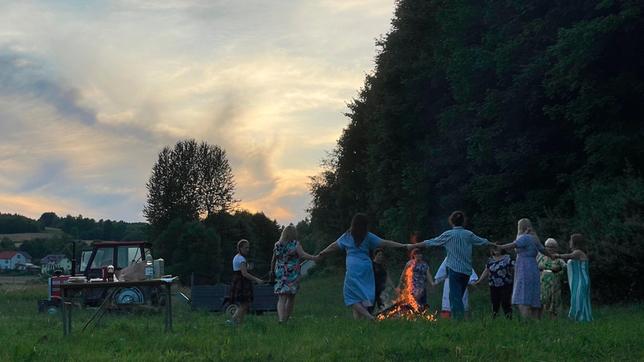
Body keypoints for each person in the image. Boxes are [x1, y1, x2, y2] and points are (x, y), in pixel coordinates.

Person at [317, 213, 408, 320]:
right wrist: (403, 245)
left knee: (350, 296)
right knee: (362, 294)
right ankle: (359, 323)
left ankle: (369, 317)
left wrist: (322, 253)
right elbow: (385, 243)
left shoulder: (347, 236)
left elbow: (334, 246)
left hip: (353, 267)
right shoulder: (368, 236)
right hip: (366, 266)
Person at [409, 210, 493, 319]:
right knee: (459, 296)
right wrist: (495, 245)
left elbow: (431, 242)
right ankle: (459, 318)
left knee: (455, 298)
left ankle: (458, 321)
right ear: (463, 222)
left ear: (451, 222)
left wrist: (413, 245)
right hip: (466, 271)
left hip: (454, 271)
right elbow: (483, 241)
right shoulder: (468, 234)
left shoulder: (448, 234)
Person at [497, 218, 547, 319]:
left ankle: (527, 321)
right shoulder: (534, 238)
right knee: (533, 294)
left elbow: (513, 245)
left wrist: (499, 246)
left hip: (524, 267)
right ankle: (536, 320)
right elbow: (543, 250)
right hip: (533, 266)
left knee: (523, 295)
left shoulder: (524, 238)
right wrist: (553, 255)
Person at [270, 224, 318, 323]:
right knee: (291, 297)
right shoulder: (295, 244)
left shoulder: (277, 244)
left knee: (281, 297)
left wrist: (272, 271)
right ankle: (285, 320)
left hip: (280, 273)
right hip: (292, 274)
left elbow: (273, 260)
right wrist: (314, 257)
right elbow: (302, 255)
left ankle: (281, 319)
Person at [554, 233, 592, 322]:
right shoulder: (576, 253)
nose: (569, 242)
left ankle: (582, 318)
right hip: (577, 281)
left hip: (581, 280)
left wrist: (558, 255)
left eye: (570, 240)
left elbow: (570, 256)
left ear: (575, 242)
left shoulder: (578, 252)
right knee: (576, 298)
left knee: (580, 298)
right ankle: (576, 318)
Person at [228, 239, 264, 325]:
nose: (247, 249)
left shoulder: (237, 257)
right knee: (244, 305)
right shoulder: (241, 259)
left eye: (248, 247)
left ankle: (239, 323)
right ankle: (232, 321)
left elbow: (242, 270)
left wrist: (248, 267)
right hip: (242, 282)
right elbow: (244, 273)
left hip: (238, 281)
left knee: (244, 305)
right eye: (246, 248)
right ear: (240, 248)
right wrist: (257, 279)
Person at [476, 247, 514, 318]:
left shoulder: (507, 258)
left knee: (505, 302)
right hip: (493, 285)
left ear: (502, 248)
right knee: (495, 303)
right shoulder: (490, 260)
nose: (496, 250)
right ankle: (494, 318)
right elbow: (486, 270)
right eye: (494, 248)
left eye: (498, 248)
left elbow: (513, 268)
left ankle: (509, 318)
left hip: (505, 284)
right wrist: (479, 280)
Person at [537, 238, 566, 319]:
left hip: (554, 282)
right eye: (548, 246)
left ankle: (554, 318)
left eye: (552, 247)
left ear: (556, 248)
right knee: (543, 299)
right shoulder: (540, 257)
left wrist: (559, 275)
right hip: (542, 282)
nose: (550, 248)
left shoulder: (559, 259)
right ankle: (542, 318)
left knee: (554, 300)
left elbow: (565, 269)